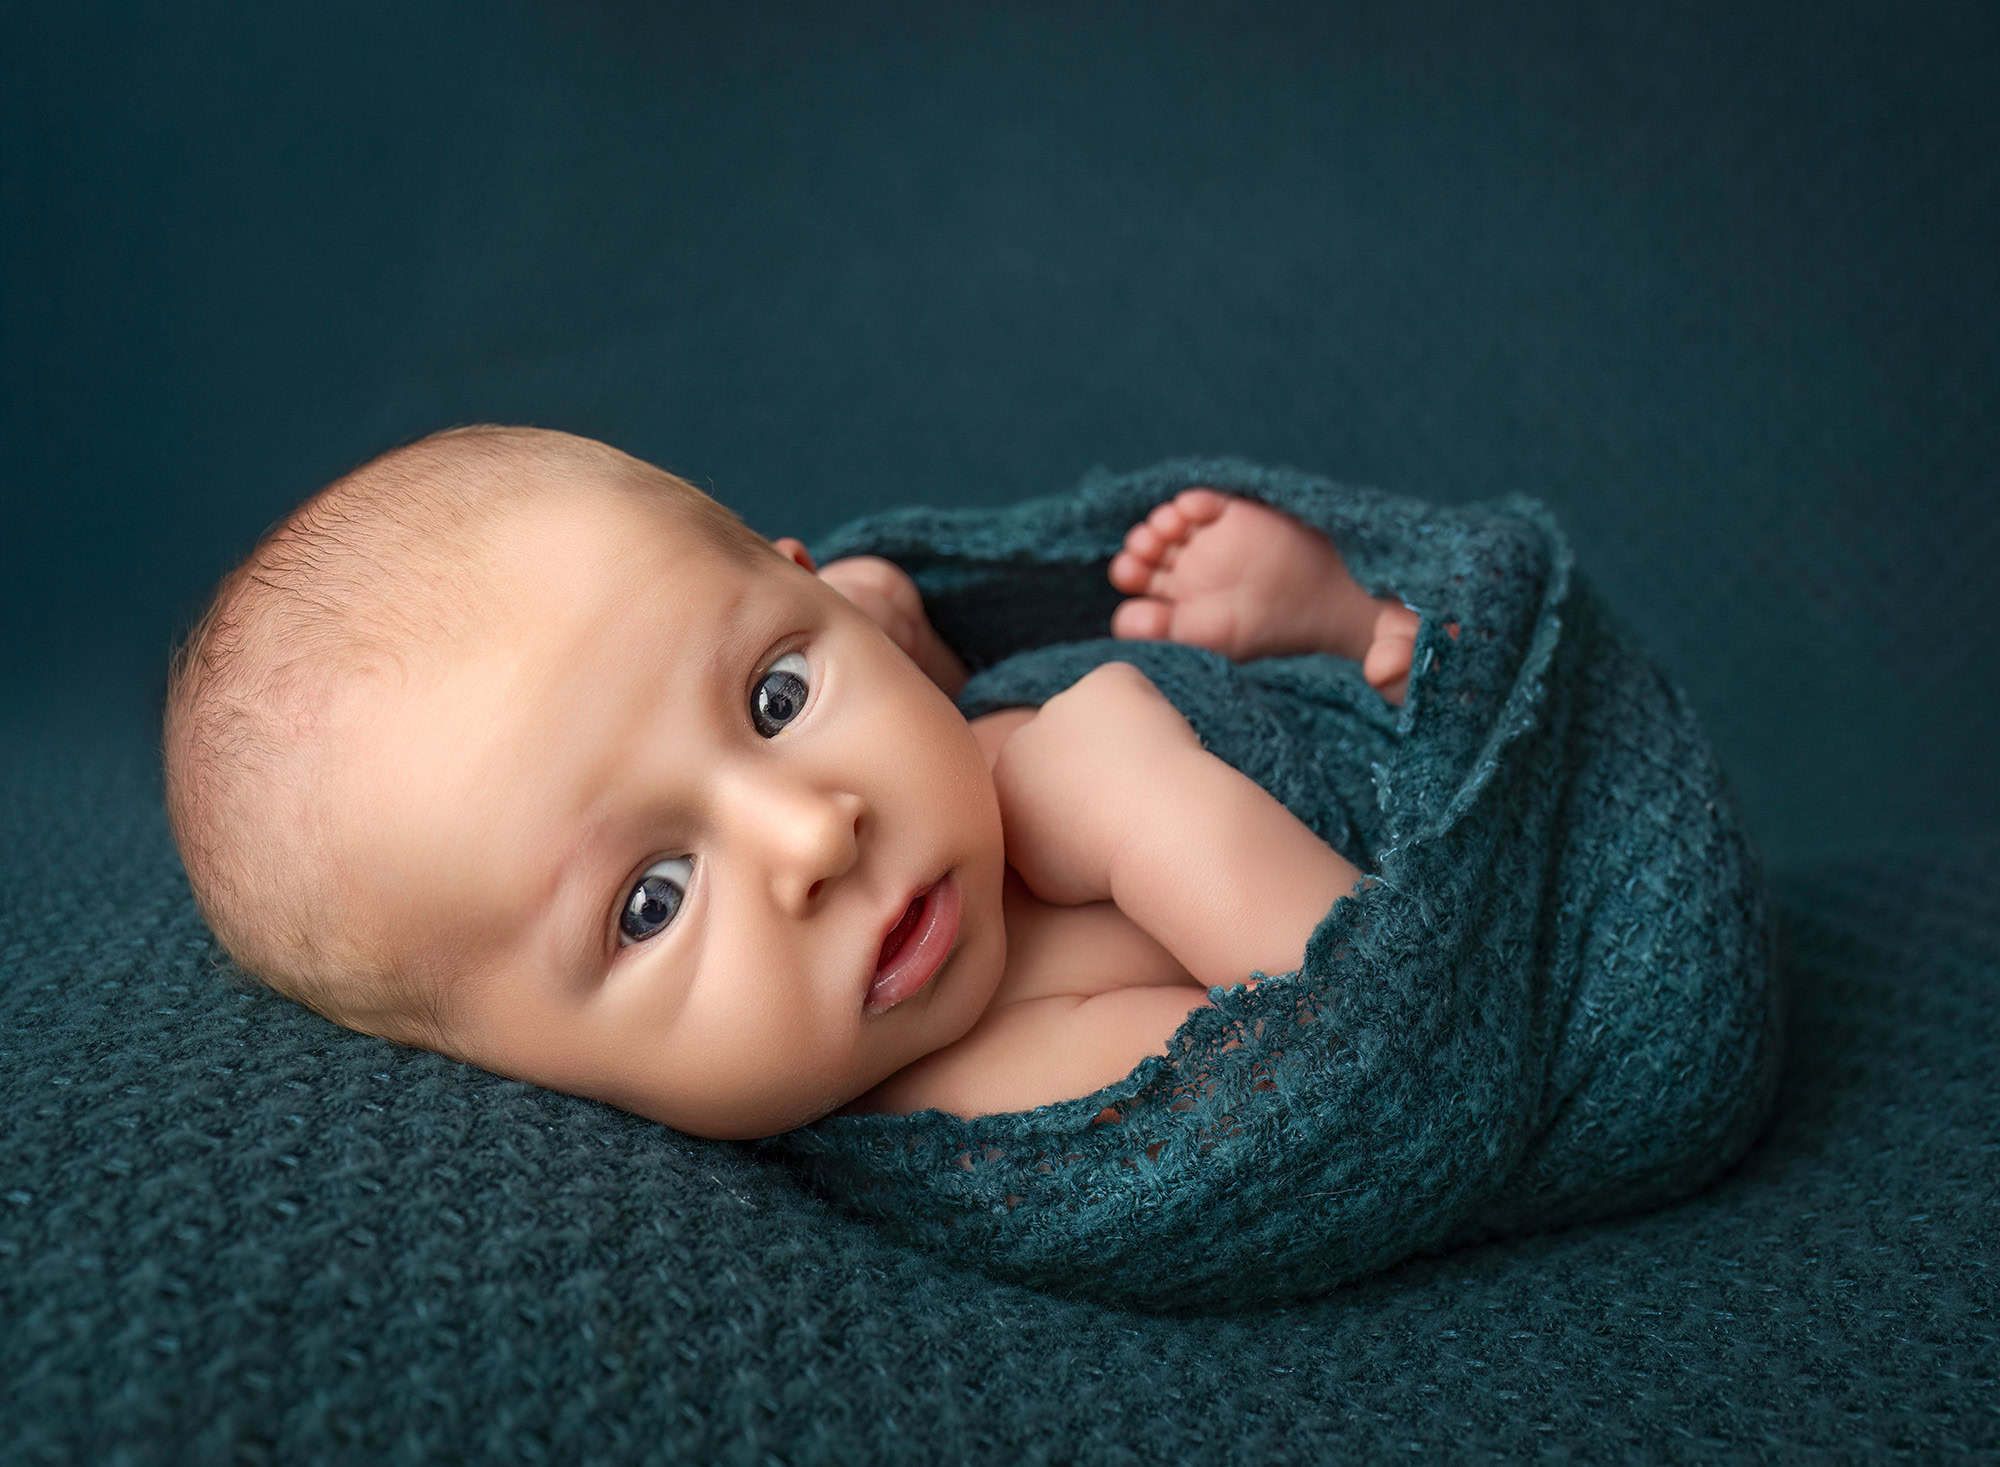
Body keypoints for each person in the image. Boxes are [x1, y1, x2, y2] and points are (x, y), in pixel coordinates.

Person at [161, 425, 1441, 1139]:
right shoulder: (1001, 1086)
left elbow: (919, 679)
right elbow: (1391, 1078)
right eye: (651, 902)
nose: (814, 837)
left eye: (775, 697)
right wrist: (1156, 812)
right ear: (523, 1074)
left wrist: (913, 643)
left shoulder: (891, 730)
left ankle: (1345, 633)